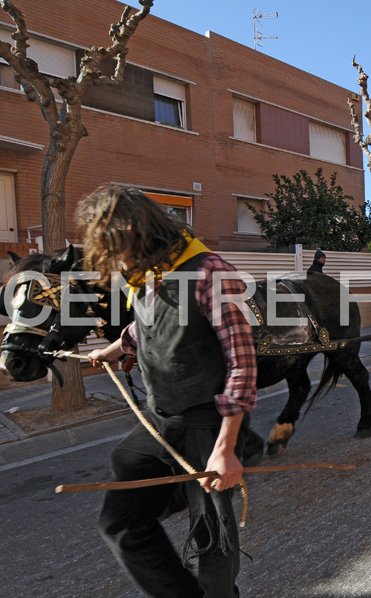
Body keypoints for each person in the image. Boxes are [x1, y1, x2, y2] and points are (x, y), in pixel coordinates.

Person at [79, 186, 257, 598]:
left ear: (137, 233)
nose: (114, 260)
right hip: (162, 418)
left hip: (206, 422)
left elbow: (243, 361)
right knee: (120, 522)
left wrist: (226, 447)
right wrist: (112, 349)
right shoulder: (148, 277)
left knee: (213, 535)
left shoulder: (211, 270)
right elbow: (147, 326)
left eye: (114, 247)